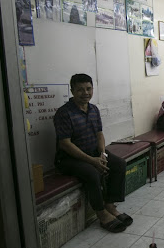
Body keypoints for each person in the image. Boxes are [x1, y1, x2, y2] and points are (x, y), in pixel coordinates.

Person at [54, 74, 132, 233]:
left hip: (93, 152)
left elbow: (99, 134)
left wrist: (102, 154)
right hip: (69, 159)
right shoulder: (64, 113)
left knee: (119, 164)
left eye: (88, 89)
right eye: (80, 90)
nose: (85, 93)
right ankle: (101, 213)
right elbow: (65, 144)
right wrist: (92, 160)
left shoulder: (93, 109)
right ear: (72, 91)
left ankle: (110, 205)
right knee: (92, 173)